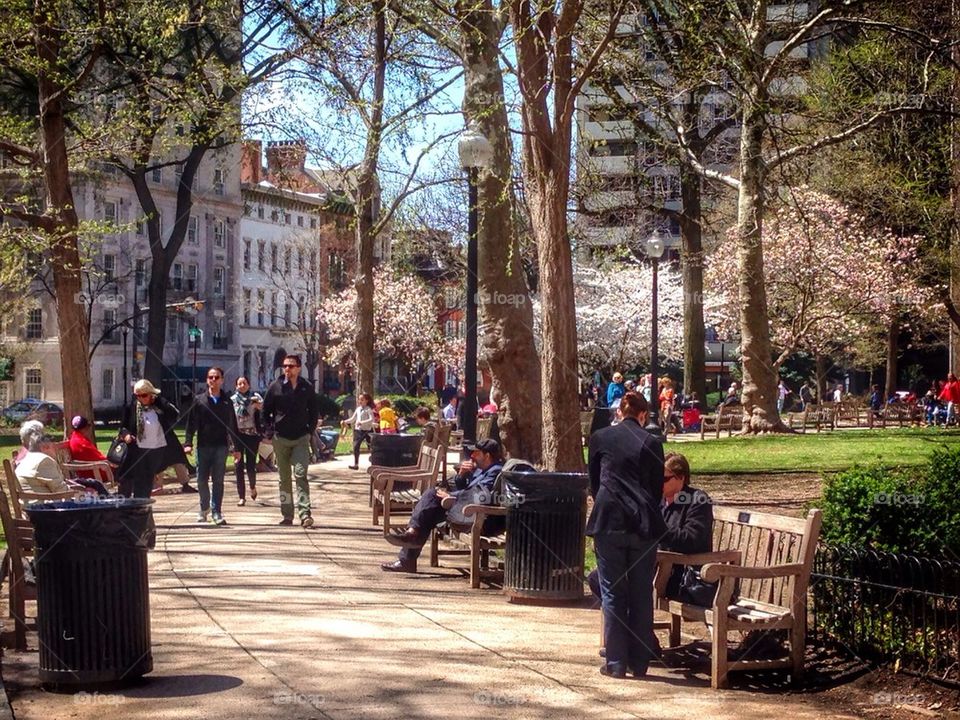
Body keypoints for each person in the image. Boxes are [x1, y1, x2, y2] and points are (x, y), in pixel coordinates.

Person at [587, 391, 666, 679]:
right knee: (641, 592)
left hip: (609, 520)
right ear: (643, 415)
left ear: (620, 412)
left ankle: (616, 663)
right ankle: (640, 662)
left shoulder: (600, 438)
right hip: (642, 524)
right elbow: (656, 487)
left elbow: (594, 482)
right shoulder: (652, 442)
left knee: (612, 592)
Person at [381, 438, 504, 573]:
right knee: (429, 507)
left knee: (431, 499)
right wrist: (461, 475)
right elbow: (463, 487)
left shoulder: (495, 471)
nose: (472, 455)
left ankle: (409, 547)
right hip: (466, 512)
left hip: (479, 519)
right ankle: (410, 542)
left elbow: (478, 495)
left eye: (476, 453)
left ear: (487, 455)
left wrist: (452, 496)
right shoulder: (480, 470)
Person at [262, 354, 319, 528]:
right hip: (281, 438)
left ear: (298, 368)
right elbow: (265, 411)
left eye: (291, 366)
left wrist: (309, 431)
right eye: (285, 366)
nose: (287, 369)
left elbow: (314, 411)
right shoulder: (275, 386)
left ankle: (305, 513)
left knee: (301, 475)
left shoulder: (306, 387)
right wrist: (270, 432)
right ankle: (287, 514)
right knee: (284, 479)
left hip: (301, 438)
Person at [184, 367, 240, 526]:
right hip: (203, 446)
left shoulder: (227, 401)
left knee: (218, 480)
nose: (213, 380)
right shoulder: (199, 400)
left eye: (216, 377)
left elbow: (232, 426)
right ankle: (204, 507)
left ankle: (216, 512)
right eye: (210, 377)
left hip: (221, 446)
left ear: (222, 380)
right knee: (201, 480)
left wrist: (237, 448)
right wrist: (188, 443)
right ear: (207, 380)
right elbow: (190, 423)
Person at [118, 380, 188, 499]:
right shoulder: (132, 407)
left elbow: (174, 414)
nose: (140, 398)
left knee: (149, 478)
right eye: (137, 395)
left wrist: (158, 401)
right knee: (139, 478)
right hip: (138, 448)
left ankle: (144, 501)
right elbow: (123, 427)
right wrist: (126, 435)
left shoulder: (159, 405)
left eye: (144, 395)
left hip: (157, 448)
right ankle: (139, 502)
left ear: (151, 394)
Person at [660, 453, 714, 602]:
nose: (657, 483)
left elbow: (691, 540)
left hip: (685, 578)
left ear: (681, 477)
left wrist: (658, 529)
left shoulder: (698, 500)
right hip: (659, 569)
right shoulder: (658, 501)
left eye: (664, 479)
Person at [231, 376, 262, 506]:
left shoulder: (255, 397)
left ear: (249, 385)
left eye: (244, 383)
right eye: (239, 383)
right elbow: (230, 419)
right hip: (238, 435)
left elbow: (264, 410)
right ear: (236, 386)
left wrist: (259, 407)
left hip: (252, 435)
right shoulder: (232, 400)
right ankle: (241, 496)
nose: (242, 385)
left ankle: (252, 486)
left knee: (250, 465)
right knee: (238, 465)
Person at [343, 393, 375, 470]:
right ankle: (356, 464)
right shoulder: (358, 409)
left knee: (371, 447)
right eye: (359, 399)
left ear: (367, 401)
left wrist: (362, 422)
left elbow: (371, 419)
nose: (360, 401)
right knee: (355, 446)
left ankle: (374, 463)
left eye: (362, 399)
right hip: (358, 430)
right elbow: (353, 419)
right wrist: (345, 421)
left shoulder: (368, 409)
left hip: (367, 430)